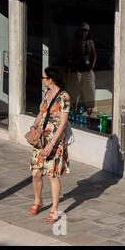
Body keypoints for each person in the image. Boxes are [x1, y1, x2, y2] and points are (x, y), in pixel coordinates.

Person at [26, 67, 71, 224]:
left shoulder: (64, 97)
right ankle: (38, 201)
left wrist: (52, 144)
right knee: (36, 173)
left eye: (43, 77)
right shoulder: (46, 93)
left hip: (54, 142)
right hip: (40, 139)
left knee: (52, 175)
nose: (42, 79)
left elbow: (63, 123)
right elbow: (41, 112)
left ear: (51, 79)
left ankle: (54, 209)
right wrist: (33, 126)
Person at [68, 22, 96, 110]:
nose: (84, 32)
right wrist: (73, 66)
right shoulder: (74, 42)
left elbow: (94, 56)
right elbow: (69, 55)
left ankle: (89, 109)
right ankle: (73, 109)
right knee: (74, 90)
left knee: (90, 89)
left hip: (87, 70)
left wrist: (91, 67)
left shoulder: (90, 42)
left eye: (86, 30)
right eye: (83, 30)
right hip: (77, 70)